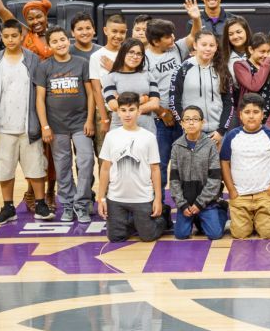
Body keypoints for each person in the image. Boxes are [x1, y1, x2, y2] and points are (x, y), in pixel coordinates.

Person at [0, 19, 51, 223]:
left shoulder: (32, 59)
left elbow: (40, 91)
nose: (10, 40)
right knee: (4, 168)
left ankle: (40, 203)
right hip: (2, 126)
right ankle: (8, 206)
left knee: (36, 166)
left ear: (22, 36)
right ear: (1, 37)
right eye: (6, 36)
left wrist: (41, 122)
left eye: (14, 35)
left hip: (28, 125)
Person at [35, 26, 96, 224]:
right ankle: (68, 205)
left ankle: (82, 203)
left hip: (80, 124)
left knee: (86, 161)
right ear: (49, 45)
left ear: (68, 40)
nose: (60, 44)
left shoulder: (81, 63)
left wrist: (89, 120)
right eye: (54, 41)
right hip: (56, 126)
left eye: (62, 39)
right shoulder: (44, 67)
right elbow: (40, 99)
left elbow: (90, 94)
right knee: (62, 166)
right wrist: (45, 126)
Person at [145, 3, 203, 195]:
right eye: (167, 36)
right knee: (160, 164)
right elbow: (144, 92)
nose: (172, 38)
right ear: (154, 41)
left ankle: (187, 201)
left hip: (183, 117)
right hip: (160, 120)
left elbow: (194, 36)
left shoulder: (176, 49)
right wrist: (160, 111)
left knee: (186, 163)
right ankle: (158, 204)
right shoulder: (145, 59)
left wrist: (196, 18)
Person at [96, 92, 169, 242]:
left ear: (139, 111)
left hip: (142, 197)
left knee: (148, 236)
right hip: (116, 198)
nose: (127, 114)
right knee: (115, 237)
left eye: (131, 110)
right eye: (123, 110)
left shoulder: (148, 137)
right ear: (117, 112)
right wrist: (101, 198)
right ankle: (135, 221)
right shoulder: (111, 136)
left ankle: (164, 216)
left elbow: (155, 169)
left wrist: (158, 199)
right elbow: (105, 168)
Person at [220, 94, 270, 239]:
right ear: (240, 115)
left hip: (265, 196)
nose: (251, 116)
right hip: (240, 196)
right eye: (247, 112)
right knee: (240, 234)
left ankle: (258, 220)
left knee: (268, 234)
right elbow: (224, 163)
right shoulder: (232, 136)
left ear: (263, 115)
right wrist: (231, 190)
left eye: (255, 112)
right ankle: (235, 217)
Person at [170, 106, 228, 240]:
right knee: (181, 234)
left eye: (195, 119)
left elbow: (215, 179)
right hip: (186, 202)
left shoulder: (210, 145)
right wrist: (182, 204)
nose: (191, 123)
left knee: (215, 234)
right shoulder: (176, 146)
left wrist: (199, 204)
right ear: (181, 123)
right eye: (187, 119)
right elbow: (174, 180)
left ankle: (221, 209)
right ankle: (196, 219)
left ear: (203, 122)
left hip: (206, 202)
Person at [168, 30, 233, 145]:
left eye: (212, 45)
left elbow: (229, 103)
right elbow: (174, 102)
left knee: (218, 163)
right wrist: (187, 127)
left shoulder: (222, 70)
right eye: (204, 45)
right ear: (195, 45)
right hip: (191, 132)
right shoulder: (182, 69)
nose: (208, 49)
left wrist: (221, 131)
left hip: (217, 133)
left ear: (216, 47)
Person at [103, 39, 160, 132]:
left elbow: (155, 104)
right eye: (131, 52)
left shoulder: (148, 75)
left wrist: (124, 104)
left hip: (146, 128)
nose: (135, 56)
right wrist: (143, 100)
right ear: (123, 53)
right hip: (120, 128)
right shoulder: (111, 77)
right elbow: (113, 105)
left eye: (139, 54)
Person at [90, 14, 128, 149]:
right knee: (104, 154)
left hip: (127, 111)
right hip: (104, 110)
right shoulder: (96, 56)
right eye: (114, 31)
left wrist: (114, 68)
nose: (118, 36)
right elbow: (96, 89)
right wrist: (104, 118)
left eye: (122, 32)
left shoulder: (130, 54)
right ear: (105, 31)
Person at [233, 32, 270, 129]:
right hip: (250, 122)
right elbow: (254, 86)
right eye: (262, 51)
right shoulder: (240, 65)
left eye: (269, 52)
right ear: (251, 49)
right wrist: (267, 62)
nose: (266, 55)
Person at [222, 15, 253, 80]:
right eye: (230, 34)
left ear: (246, 31)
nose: (235, 36)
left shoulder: (256, 52)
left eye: (239, 32)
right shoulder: (222, 57)